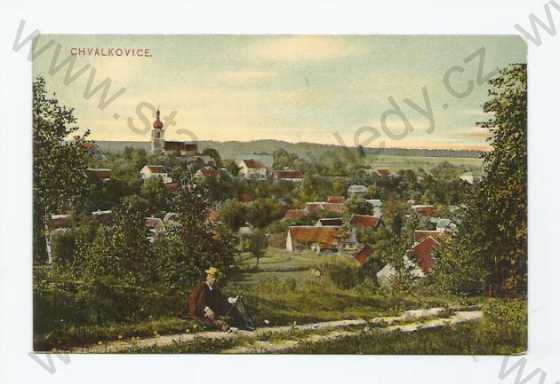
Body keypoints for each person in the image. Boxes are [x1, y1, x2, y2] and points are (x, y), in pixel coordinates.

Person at [186, 267, 255, 331]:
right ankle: (222, 325)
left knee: (231, 307)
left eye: (215, 278)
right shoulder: (201, 287)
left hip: (212, 311)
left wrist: (233, 300)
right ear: (207, 277)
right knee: (210, 321)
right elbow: (196, 302)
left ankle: (243, 324)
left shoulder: (215, 289)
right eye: (212, 277)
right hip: (199, 311)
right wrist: (206, 309)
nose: (214, 279)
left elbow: (222, 298)